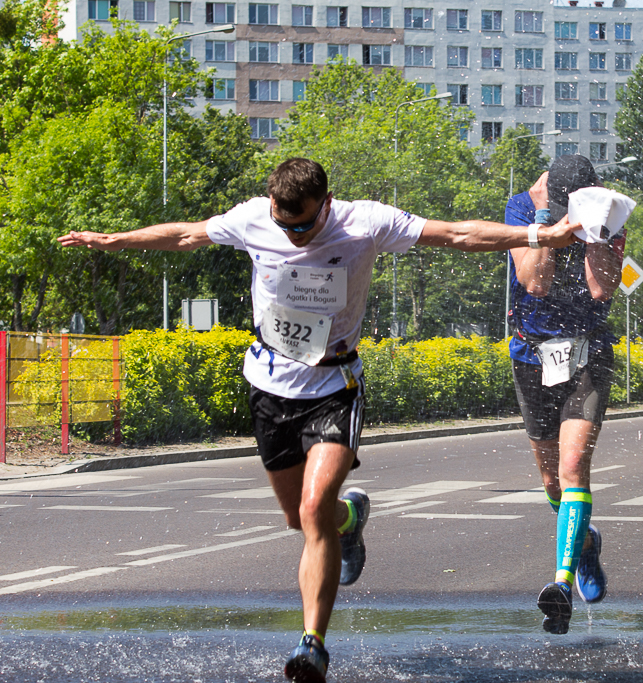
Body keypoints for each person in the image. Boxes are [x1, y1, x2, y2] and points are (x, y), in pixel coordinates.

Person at [58, 157, 580, 682]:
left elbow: (458, 234)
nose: (295, 236)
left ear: (326, 204)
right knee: (299, 518)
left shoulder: (365, 222)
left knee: (312, 510)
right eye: (285, 226)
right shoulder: (253, 217)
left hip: (334, 387)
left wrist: (542, 235)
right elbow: (186, 235)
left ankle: (313, 646)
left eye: (304, 226)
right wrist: (116, 240)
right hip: (269, 387)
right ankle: (349, 521)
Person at [504, 155, 627, 635]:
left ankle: (561, 583)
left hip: (587, 353)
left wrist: (594, 225)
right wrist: (544, 219)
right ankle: (586, 545)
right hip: (532, 355)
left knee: (574, 466)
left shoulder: (611, 212)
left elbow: (601, 288)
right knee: (552, 480)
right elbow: (535, 282)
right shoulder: (522, 206)